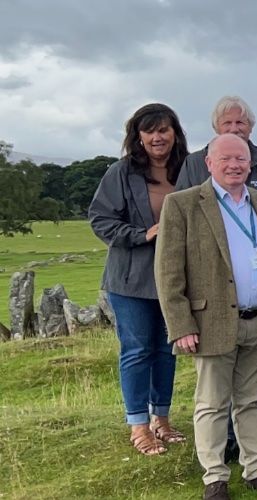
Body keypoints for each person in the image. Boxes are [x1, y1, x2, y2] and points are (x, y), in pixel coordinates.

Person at [156, 134, 257, 499]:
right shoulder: (183, 205)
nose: (234, 165)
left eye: (241, 158)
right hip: (211, 323)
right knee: (212, 403)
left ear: (251, 163)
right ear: (209, 163)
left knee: (253, 400)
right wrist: (181, 324)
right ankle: (215, 478)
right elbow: (168, 271)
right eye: (226, 159)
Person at [89, 103, 190, 457]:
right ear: (138, 136)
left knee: (166, 351)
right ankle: (139, 426)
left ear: (174, 132)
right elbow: (100, 218)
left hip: (175, 279)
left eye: (164, 129)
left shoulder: (189, 169)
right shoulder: (121, 172)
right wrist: (142, 234)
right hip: (130, 280)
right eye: (149, 131)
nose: (157, 137)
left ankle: (161, 420)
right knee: (137, 350)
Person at [176, 96, 257, 259]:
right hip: (211, 268)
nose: (234, 129)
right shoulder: (194, 164)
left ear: (250, 127)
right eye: (227, 123)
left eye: (240, 122)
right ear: (216, 128)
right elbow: (181, 222)